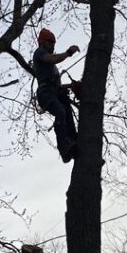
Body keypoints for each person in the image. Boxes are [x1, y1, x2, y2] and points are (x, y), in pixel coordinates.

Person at [33, 28, 80, 162]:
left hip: (55, 92)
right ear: (43, 43)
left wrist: (72, 86)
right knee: (60, 111)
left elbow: (58, 86)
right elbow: (53, 58)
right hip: (45, 93)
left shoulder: (54, 69)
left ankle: (73, 140)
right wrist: (68, 53)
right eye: (51, 42)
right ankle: (63, 146)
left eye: (53, 43)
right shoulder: (40, 53)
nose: (53, 45)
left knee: (66, 110)